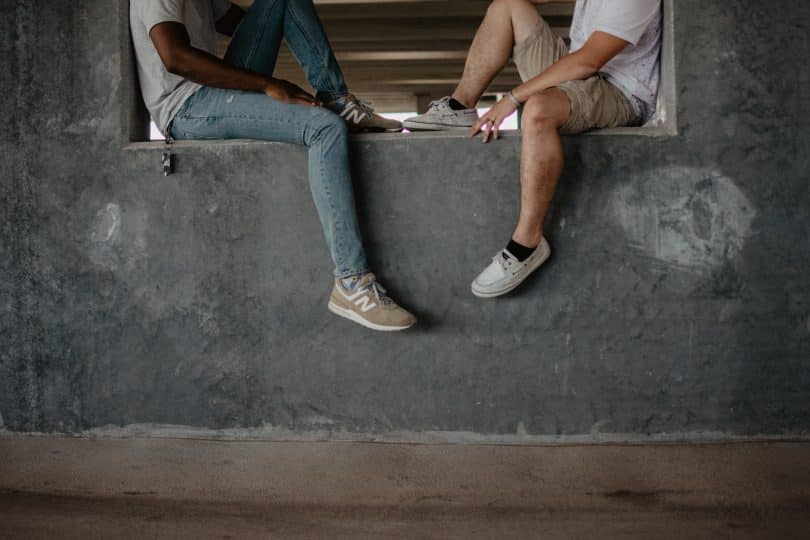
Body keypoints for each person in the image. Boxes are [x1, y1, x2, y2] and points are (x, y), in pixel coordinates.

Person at [130, 0, 415, 331]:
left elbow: (249, 22)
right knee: (323, 128)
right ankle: (351, 282)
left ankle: (337, 98)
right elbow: (174, 57)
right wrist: (267, 85)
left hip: (209, 91)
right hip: (186, 108)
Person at [404, 0, 661, 298]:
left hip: (621, 91)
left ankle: (527, 243)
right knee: (508, 5)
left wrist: (512, 99)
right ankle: (459, 106)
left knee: (537, 110)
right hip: (582, 73)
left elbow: (589, 60)